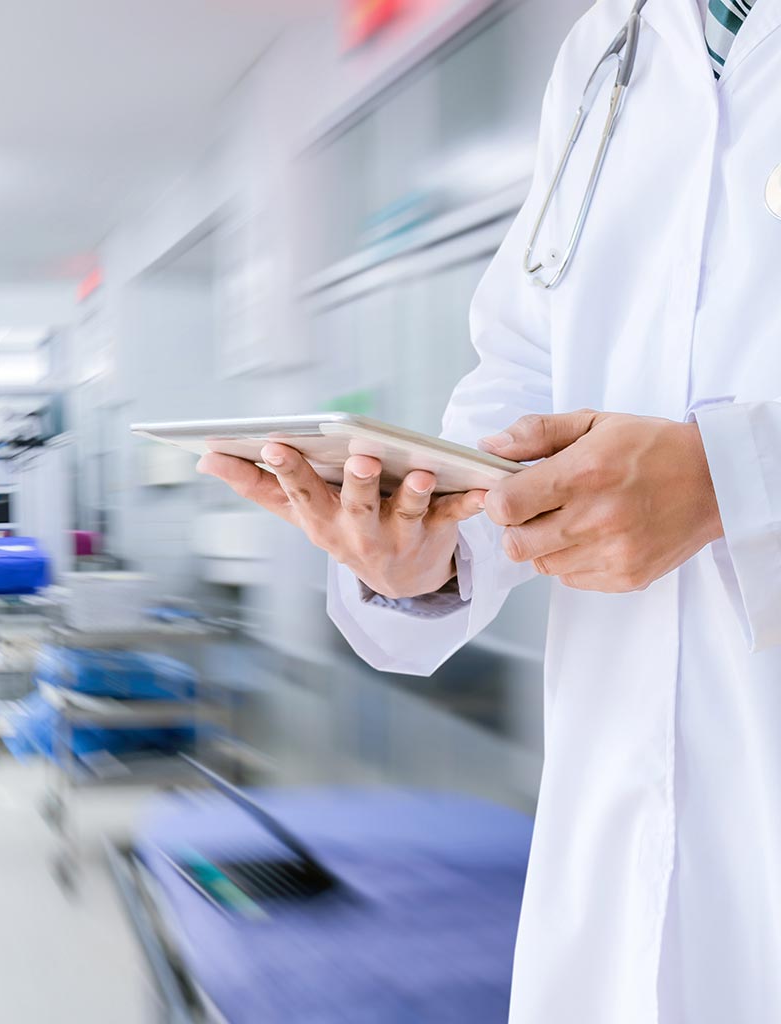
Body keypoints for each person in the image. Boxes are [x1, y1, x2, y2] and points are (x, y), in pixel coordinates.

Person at [198, 0, 781, 1020]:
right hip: (612, 821)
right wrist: (428, 541)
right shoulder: (609, 48)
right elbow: (522, 369)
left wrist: (733, 478)